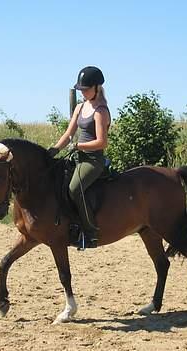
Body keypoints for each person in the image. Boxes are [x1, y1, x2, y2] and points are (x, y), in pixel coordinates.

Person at [48, 66, 111, 248]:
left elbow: (101, 142)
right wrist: (54, 150)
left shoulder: (101, 111)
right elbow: (69, 133)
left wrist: (78, 145)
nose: (83, 92)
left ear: (97, 88)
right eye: (81, 89)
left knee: (75, 188)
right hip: (77, 157)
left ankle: (91, 232)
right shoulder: (80, 107)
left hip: (93, 160)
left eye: (85, 89)